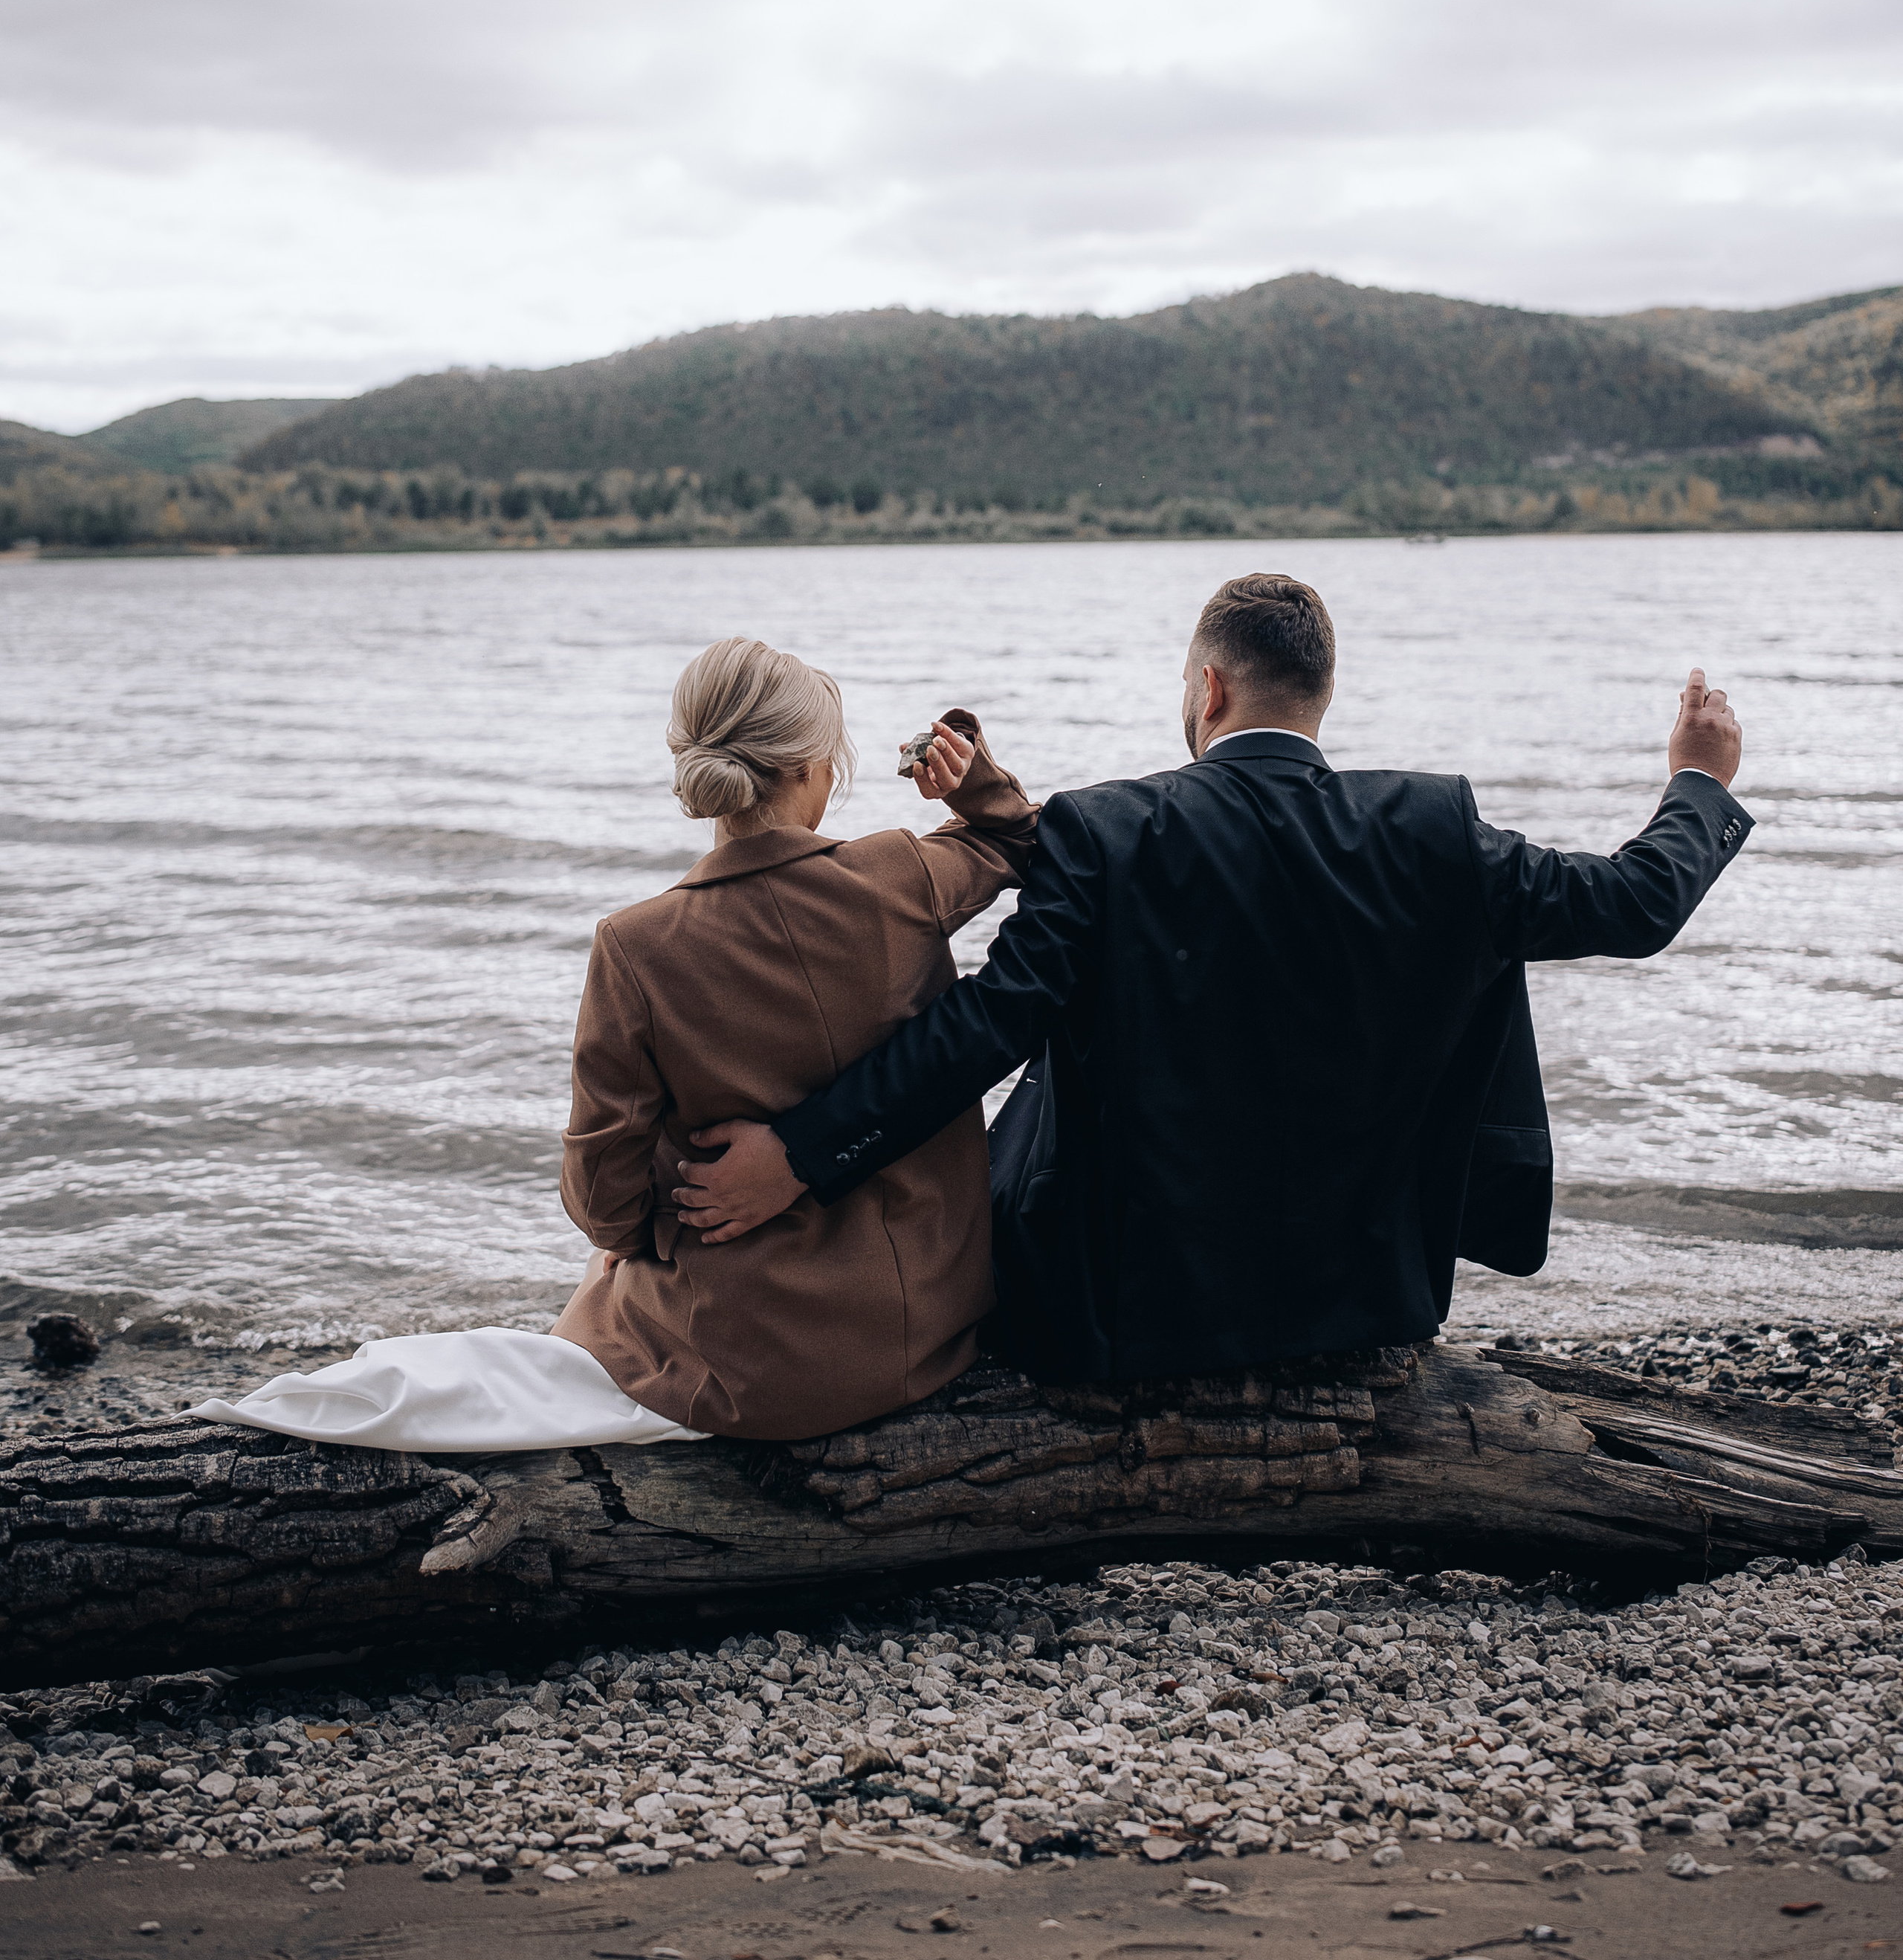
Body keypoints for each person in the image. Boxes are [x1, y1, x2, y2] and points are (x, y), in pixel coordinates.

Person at [671, 573, 1752, 1384]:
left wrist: (801, 1154)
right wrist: (1697, 782)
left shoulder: (1105, 831)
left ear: (1209, 687)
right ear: (1322, 695)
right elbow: (1633, 904)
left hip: (1125, 1319)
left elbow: (980, 1031)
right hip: (1367, 1304)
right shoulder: (1434, 831)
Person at [196, 636, 1035, 1449]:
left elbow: (604, 1193)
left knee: (605, 1286)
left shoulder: (638, 945)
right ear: (813, 767)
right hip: (933, 1325)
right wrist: (972, 782)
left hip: (757, 1370)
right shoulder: (902, 875)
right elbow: (1018, 840)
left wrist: (649, 1235)